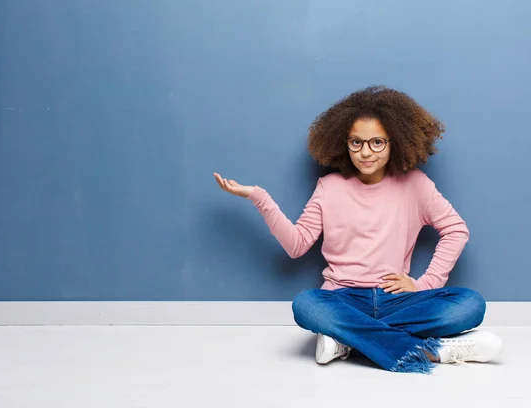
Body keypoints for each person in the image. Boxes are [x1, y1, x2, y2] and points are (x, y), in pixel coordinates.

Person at [213, 85, 502, 374]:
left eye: (377, 142)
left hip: (398, 300)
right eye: (356, 143)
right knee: (306, 305)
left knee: (470, 304)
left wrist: (424, 284)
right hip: (342, 299)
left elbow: (456, 230)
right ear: (344, 143)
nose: (365, 152)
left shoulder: (416, 185)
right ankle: (435, 351)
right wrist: (259, 198)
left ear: (394, 142)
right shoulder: (329, 188)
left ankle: (347, 342)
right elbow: (296, 245)